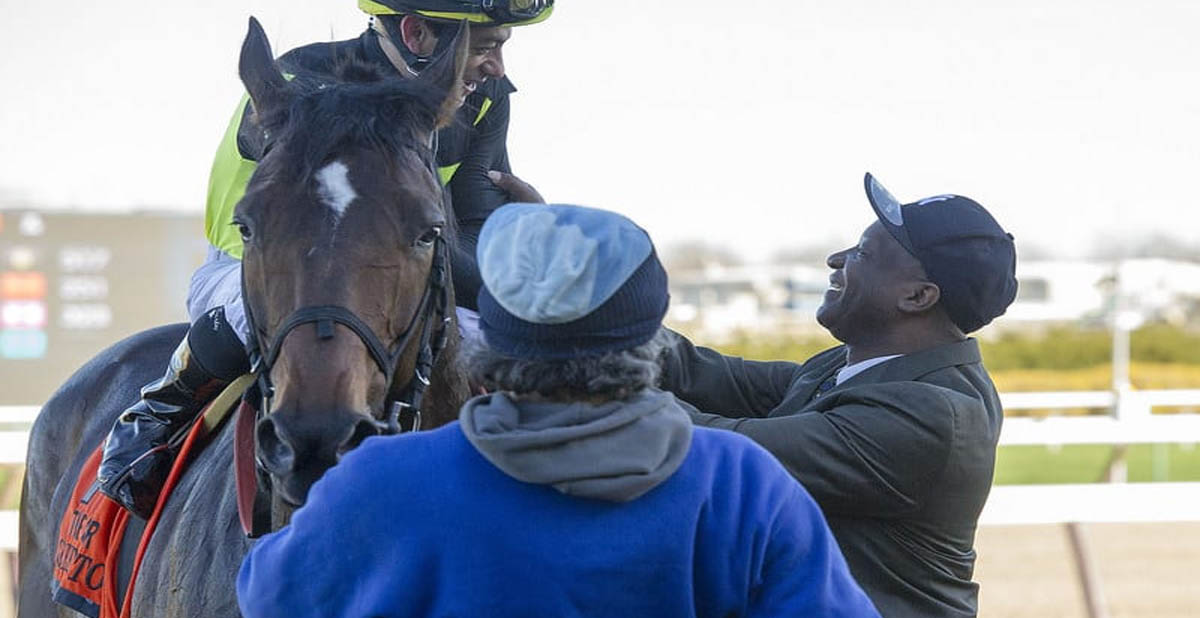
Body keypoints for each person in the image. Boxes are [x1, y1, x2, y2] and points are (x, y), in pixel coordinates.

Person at [236, 203, 881, 618]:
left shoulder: (378, 482)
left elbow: (267, 595)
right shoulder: (742, 483)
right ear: (649, 339)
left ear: (490, 341)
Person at [97, 0, 553, 519]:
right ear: (417, 33)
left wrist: (518, 268)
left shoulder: (486, 96)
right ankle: (159, 410)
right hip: (262, 256)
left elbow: (472, 225)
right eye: (487, 46)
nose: (496, 67)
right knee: (282, 305)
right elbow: (250, 226)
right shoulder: (298, 82)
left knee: (498, 333)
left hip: (408, 264)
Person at [658, 173, 1019, 618]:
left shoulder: (929, 414)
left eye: (864, 253)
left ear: (917, 296)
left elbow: (721, 449)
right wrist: (603, 318)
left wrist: (592, 371)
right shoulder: (854, 368)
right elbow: (700, 373)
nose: (836, 259)